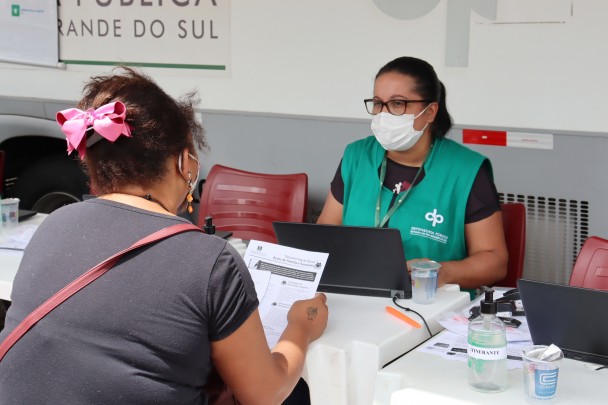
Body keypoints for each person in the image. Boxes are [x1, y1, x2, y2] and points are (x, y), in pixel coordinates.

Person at [0, 67, 328, 405]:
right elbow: (264, 394)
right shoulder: (209, 260)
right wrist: (300, 327)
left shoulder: (53, 225)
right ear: (185, 164)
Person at [317, 56, 508, 292]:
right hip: (357, 295)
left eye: (398, 104)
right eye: (378, 103)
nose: (383, 114)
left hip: (431, 304)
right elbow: (325, 233)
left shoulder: (466, 170)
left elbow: (495, 261)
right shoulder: (356, 157)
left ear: (430, 112)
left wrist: (443, 272)